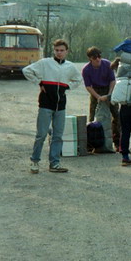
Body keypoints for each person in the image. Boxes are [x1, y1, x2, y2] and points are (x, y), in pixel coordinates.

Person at [23, 39, 83, 174]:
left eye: (62, 50)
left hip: (60, 106)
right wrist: (38, 82)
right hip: (45, 104)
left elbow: (78, 80)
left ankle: (54, 163)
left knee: (58, 136)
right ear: (53, 51)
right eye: (57, 50)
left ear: (67, 51)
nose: (59, 53)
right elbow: (27, 70)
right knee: (41, 134)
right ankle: (35, 161)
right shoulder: (45, 63)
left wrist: (68, 86)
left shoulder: (70, 66)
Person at [82, 46, 120, 149]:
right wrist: (98, 97)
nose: (98, 59)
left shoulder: (107, 64)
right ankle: (91, 143)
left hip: (109, 89)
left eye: (99, 56)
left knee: (117, 116)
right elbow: (88, 86)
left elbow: (113, 80)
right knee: (93, 116)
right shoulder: (86, 69)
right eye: (94, 58)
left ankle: (117, 142)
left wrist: (109, 94)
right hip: (96, 91)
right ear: (90, 58)